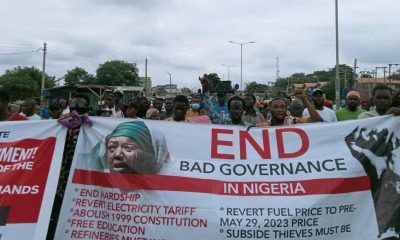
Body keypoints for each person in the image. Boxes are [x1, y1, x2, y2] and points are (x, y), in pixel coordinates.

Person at [106, 121, 170, 174]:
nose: (117, 154)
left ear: (148, 155)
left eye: (128, 148)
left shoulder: (167, 187)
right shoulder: (101, 183)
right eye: (112, 148)